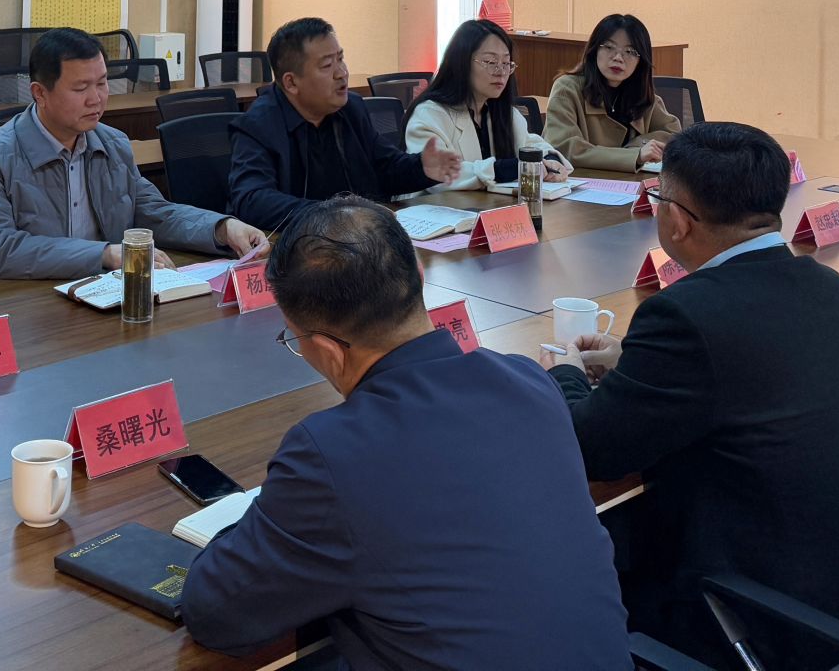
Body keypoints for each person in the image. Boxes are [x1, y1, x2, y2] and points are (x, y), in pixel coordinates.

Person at [182, 196, 632, 671]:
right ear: (418, 275)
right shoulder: (529, 381)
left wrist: (269, 517)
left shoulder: (331, 455)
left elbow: (215, 612)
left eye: (294, 340)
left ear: (329, 351)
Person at [545, 122, 839, 660]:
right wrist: (633, 364)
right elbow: (744, 370)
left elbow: (592, 451)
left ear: (678, 220)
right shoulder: (827, 286)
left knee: (559, 578)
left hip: (761, 622)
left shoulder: (684, 316)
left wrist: (563, 372)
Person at [0, 28, 267, 283]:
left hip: (99, 291)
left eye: (103, 83)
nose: (96, 99)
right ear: (40, 93)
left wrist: (222, 228)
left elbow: (153, 213)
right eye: (81, 88)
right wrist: (104, 254)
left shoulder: (112, 144)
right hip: (18, 300)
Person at [226, 17, 462, 232]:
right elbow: (251, 200)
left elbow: (384, 168)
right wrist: (333, 215)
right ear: (291, 83)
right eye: (327, 65)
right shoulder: (258, 125)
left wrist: (421, 168)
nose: (342, 73)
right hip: (295, 248)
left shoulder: (351, 108)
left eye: (340, 59)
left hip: (357, 241)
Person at [402, 17, 570, 191]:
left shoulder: (503, 113)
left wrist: (550, 159)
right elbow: (436, 174)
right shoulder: (430, 114)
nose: (501, 72)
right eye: (491, 62)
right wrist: (503, 169)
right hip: (437, 207)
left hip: (493, 206)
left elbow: (531, 144)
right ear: (461, 63)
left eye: (506, 63)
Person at [543, 13, 682, 173]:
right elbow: (565, 149)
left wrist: (638, 146)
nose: (618, 58)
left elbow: (675, 136)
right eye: (609, 47)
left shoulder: (640, 93)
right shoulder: (567, 89)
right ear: (594, 50)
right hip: (582, 182)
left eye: (630, 51)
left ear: (641, 61)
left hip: (628, 183)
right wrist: (634, 155)